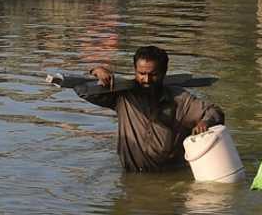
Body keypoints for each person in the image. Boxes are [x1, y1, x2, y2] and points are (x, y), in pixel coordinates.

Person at [82, 45, 225, 172]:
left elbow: (214, 112)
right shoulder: (123, 96)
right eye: (141, 74)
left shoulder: (179, 98)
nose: (147, 80)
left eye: (153, 74)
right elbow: (84, 92)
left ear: (164, 73)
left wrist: (205, 122)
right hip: (131, 176)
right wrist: (96, 71)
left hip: (169, 176)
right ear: (135, 71)